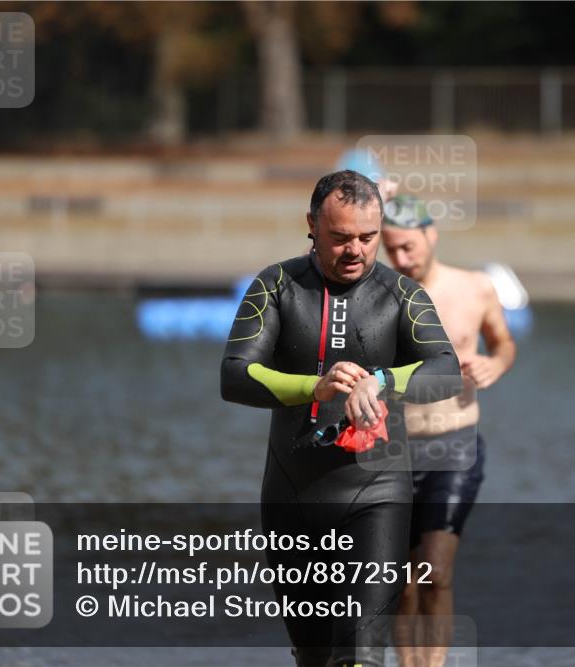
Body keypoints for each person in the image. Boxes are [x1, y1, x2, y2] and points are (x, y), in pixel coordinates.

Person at [221, 171, 462, 667]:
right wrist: (314, 387)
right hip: (292, 498)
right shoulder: (276, 285)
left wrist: (382, 380)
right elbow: (235, 376)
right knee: (314, 659)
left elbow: (447, 371)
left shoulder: (402, 295)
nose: (355, 250)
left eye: (368, 237)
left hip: (377, 496)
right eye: (340, 237)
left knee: (359, 658)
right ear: (311, 225)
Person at [380, 195, 516, 667]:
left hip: (454, 443)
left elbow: (503, 342)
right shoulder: (377, 294)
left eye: (409, 246)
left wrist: (496, 363)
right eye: (392, 249)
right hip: (392, 450)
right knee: (402, 584)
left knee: (435, 572)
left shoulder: (475, 288)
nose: (402, 258)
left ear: (431, 234)